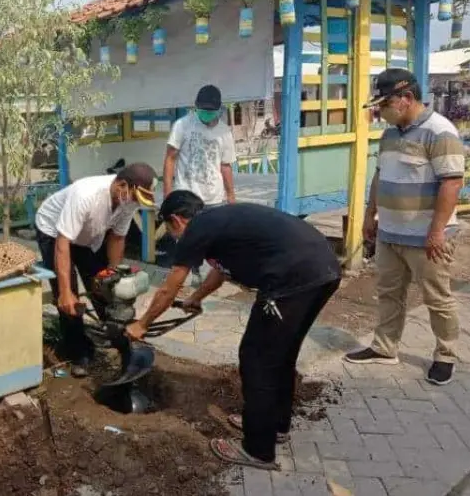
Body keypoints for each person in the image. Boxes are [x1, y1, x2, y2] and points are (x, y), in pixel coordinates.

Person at [126, 191, 341, 470]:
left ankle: (258, 450)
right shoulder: (218, 223)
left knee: (257, 359)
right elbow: (221, 271)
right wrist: (197, 298)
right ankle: (273, 424)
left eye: (168, 228)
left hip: (292, 279)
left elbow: (169, 287)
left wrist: (141, 325)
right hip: (323, 269)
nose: (173, 236)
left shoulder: (197, 229)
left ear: (176, 220)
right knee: (281, 355)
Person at [344, 69, 465, 386]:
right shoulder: (390, 134)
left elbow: (451, 184)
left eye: (384, 103)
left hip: (427, 237)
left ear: (407, 98)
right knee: (389, 293)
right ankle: (385, 348)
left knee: (436, 298)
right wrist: (370, 215)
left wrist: (437, 232)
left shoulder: (440, 133)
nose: (379, 111)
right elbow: (379, 175)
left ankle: (445, 355)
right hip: (390, 234)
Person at [35, 163, 158, 377]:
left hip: (89, 235)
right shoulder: (85, 195)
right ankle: (78, 353)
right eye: (136, 198)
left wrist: (112, 274)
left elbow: (118, 237)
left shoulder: (128, 199)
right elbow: (63, 244)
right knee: (68, 297)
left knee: (105, 287)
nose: (136, 203)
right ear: (121, 185)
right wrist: (65, 292)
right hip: (54, 232)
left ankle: (120, 340)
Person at [163, 84, 237, 284]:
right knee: (184, 237)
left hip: (213, 196)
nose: (206, 114)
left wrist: (231, 195)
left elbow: (226, 165)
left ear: (219, 110)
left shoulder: (225, 132)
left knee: (211, 238)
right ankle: (185, 274)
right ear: (196, 108)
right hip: (186, 194)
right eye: (202, 111)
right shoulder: (182, 125)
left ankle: (206, 276)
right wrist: (168, 192)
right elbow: (170, 158)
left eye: (210, 111)